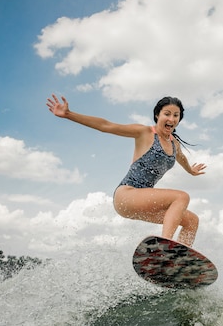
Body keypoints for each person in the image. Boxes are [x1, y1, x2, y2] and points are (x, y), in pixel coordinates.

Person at [47, 94, 207, 246]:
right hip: (126, 195)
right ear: (158, 115)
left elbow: (181, 159)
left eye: (176, 115)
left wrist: (191, 171)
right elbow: (107, 126)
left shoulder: (174, 144)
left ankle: (176, 263)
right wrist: (69, 114)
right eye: (167, 114)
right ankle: (164, 248)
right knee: (182, 197)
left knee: (192, 221)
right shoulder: (145, 133)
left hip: (144, 203)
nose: (171, 119)